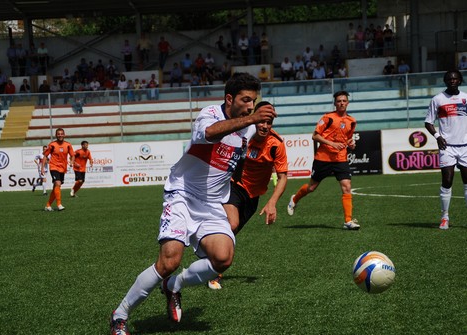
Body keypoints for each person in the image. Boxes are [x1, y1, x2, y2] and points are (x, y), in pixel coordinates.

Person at [109, 72, 277, 335]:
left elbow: (259, 127)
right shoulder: (210, 114)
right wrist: (253, 118)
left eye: (253, 101)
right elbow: (209, 134)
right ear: (229, 98)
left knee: (223, 258)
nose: (249, 105)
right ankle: (120, 315)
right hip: (182, 195)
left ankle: (174, 286)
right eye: (245, 100)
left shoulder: (249, 124)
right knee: (168, 262)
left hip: (211, 203)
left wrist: (264, 118)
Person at [207, 101, 288, 290]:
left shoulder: (276, 144)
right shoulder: (243, 135)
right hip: (234, 186)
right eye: (262, 121)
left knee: (230, 234)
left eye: (269, 123)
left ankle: (209, 256)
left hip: (254, 196)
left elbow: (283, 177)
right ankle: (214, 273)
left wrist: (272, 203)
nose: (265, 126)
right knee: (231, 225)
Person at [287, 90, 360, 230]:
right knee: (312, 187)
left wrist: (351, 144)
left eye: (344, 101)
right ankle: (295, 199)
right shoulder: (328, 118)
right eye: (339, 101)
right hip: (323, 158)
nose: (342, 103)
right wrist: (332, 144)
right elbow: (315, 136)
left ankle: (348, 221)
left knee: (347, 186)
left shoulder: (352, 121)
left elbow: (349, 139)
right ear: (335, 103)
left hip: (341, 158)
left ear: (348, 103)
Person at [424, 70, 467, 230]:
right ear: (445, 81)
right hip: (446, 147)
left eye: (455, 78)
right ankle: (444, 217)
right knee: (447, 181)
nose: (452, 80)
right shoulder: (438, 99)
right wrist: (437, 136)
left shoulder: (466, 98)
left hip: (465, 146)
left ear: (460, 80)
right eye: (449, 79)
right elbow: (428, 122)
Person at [42, 128, 75, 211]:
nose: (60, 135)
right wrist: (42, 168)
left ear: (64, 135)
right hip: (53, 166)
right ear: (56, 135)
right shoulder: (52, 144)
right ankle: (59, 204)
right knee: (58, 183)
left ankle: (48, 205)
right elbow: (45, 156)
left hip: (63, 168)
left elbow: (72, 155)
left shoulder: (68, 145)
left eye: (61, 134)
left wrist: (71, 161)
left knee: (56, 187)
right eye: (58, 134)